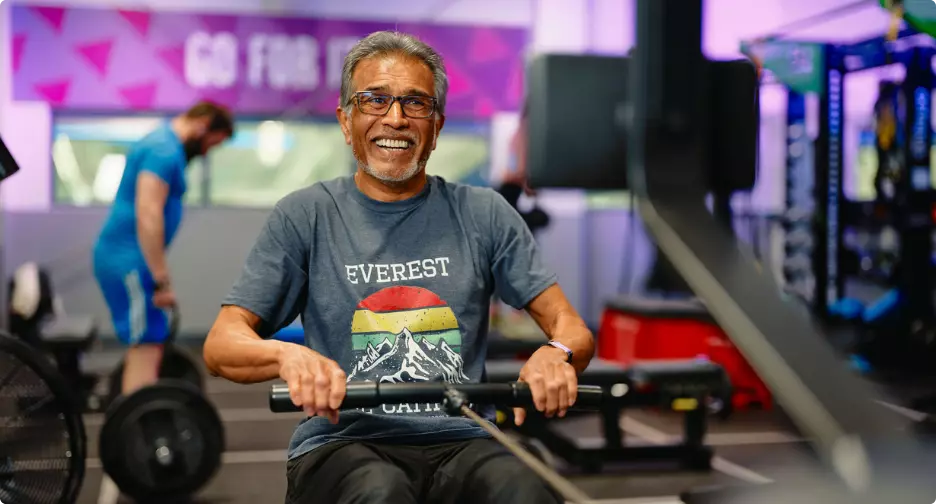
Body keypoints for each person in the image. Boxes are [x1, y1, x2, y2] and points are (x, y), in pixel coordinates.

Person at [203, 31, 594, 504]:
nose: (396, 118)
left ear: (437, 125)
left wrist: (557, 353)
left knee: (525, 490)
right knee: (380, 492)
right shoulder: (306, 215)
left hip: (463, 439)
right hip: (344, 441)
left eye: (415, 103)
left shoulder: (484, 213)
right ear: (346, 121)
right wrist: (288, 357)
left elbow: (571, 327)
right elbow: (223, 343)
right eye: (375, 100)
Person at [93, 101, 234, 396]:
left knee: (148, 341)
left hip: (130, 258)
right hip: (128, 260)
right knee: (148, 343)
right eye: (211, 143)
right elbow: (148, 213)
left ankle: (135, 416)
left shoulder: (163, 144)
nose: (207, 151)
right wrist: (161, 278)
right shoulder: (163, 150)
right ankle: (137, 427)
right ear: (203, 124)